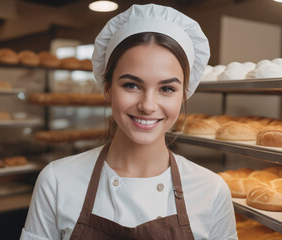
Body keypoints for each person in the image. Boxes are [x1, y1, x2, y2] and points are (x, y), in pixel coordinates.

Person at [20, 4, 237, 240]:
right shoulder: (56, 181)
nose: (148, 105)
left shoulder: (211, 190)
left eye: (166, 88)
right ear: (107, 88)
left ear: (183, 95)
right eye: (131, 85)